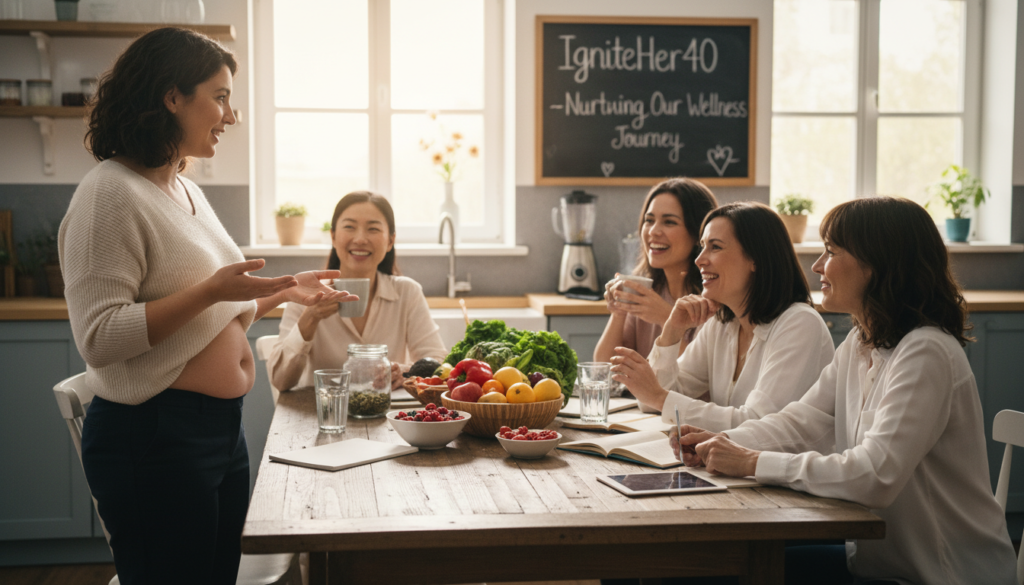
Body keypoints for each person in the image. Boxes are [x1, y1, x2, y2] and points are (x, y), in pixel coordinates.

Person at [59, 28, 355, 585]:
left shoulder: (184, 189)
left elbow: (208, 318)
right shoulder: (109, 194)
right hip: (152, 437)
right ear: (172, 97)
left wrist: (281, 292)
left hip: (218, 429)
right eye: (219, 96)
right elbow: (99, 338)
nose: (231, 114)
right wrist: (214, 290)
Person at [676, 197, 1018, 585]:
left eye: (831, 251)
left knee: (711, 571)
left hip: (941, 575)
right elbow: (799, 423)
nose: (817, 265)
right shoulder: (860, 342)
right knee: (705, 565)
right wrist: (721, 443)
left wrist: (752, 462)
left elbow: (874, 476)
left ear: (877, 264)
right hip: (875, 562)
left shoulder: (927, 352)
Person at [611, 202, 834, 431]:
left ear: (755, 258)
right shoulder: (721, 322)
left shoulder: (800, 324)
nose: (699, 260)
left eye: (715, 247)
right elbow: (652, 402)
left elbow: (758, 425)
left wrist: (659, 398)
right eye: (702, 247)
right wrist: (672, 332)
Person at [269, 191, 447, 391]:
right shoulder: (305, 295)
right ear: (333, 236)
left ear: (390, 241)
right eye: (349, 227)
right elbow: (280, 381)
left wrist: (405, 371)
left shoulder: (408, 292)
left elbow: (439, 366)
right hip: (325, 416)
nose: (360, 239)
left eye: (373, 228)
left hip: (388, 415)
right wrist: (310, 318)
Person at [594, 178, 718, 362]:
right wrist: (618, 312)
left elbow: (701, 381)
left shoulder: (713, 301)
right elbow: (604, 369)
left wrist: (666, 319)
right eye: (649, 220)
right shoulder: (647, 293)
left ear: (698, 234)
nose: (653, 231)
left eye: (669, 222)